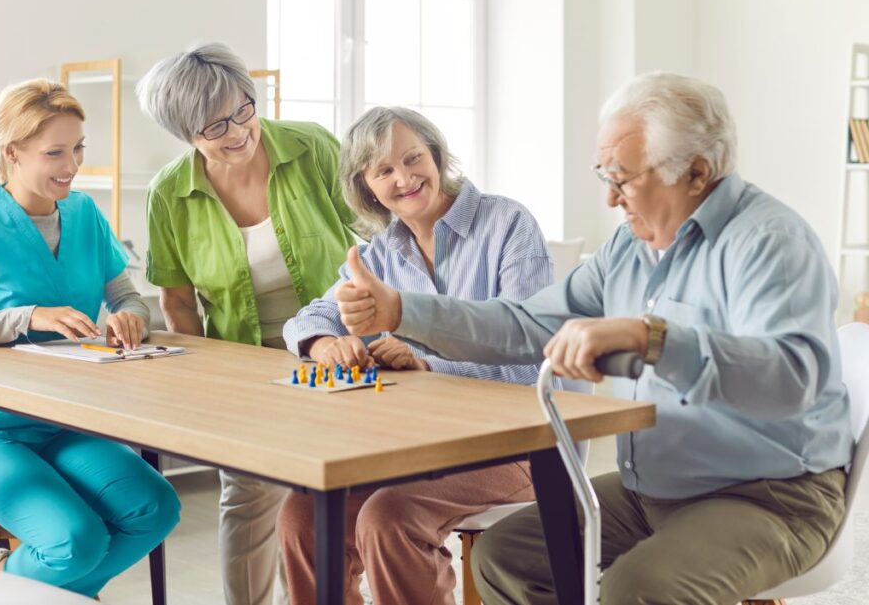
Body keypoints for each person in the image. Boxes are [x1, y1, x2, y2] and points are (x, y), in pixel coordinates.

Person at [333, 73, 853, 605]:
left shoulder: (769, 241)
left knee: (638, 588)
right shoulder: (630, 244)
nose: (608, 197)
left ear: (697, 172)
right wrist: (403, 310)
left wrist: (652, 340)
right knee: (506, 558)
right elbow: (527, 325)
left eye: (623, 177)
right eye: (604, 174)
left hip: (768, 494)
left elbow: (791, 377)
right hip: (653, 487)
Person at [0, 80, 181, 598]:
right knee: (75, 542)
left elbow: (127, 296)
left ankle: (18, 588)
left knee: (155, 508)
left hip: (67, 423)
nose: (72, 165)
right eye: (55, 152)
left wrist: (130, 318)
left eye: (78, 148)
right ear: (12, 153)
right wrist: (25, 316)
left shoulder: (84, 216)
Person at [277, 106, 553, 605]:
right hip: (420, 443)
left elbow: (533, 363)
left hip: (524, 445)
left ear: (437, 155)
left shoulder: (508, 223)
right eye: (384, 170)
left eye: (412, 159)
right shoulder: (382, 251)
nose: (404, 178)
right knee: (304, 516)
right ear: (366, 186)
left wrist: (428, 363)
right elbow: (308, 317)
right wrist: (323, 344)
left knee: (390, 518)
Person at [137, 43, 357, 605]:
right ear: (185, 132)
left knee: (328, 495)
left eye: (244, 110)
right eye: (215, 126)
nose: (238, 131)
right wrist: (197, 382)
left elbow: (382, 234)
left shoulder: (312, 148)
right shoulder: (170, 193)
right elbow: (179, 301)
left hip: (335, 345)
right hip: (243, 358)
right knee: (248, 494)